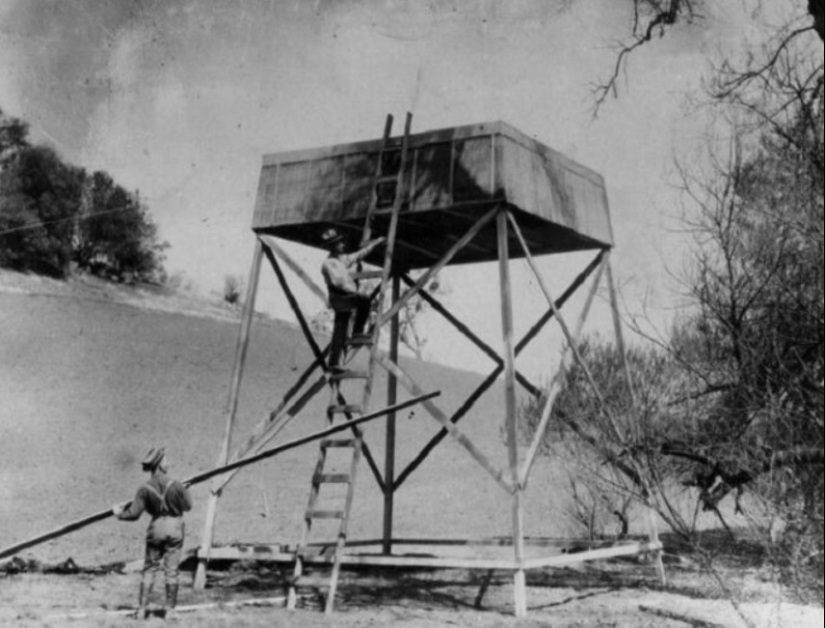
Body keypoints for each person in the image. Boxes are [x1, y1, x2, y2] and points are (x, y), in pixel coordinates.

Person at [113, 447, 193, 619]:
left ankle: (142, 610)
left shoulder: (144, 488)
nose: (168, 463)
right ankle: (170, 611)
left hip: (156, 527)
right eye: (166, 460)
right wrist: (184, 490)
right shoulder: (176, 484)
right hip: (175, 527)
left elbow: (133, 514)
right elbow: (188, 506)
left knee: (149, 568)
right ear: (160, 464)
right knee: (172, 570)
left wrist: (119, 513)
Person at [320, 227, 386, 370]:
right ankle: (357, 332)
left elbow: (357, 256)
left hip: (341, 298)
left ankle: (333, 363)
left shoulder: (340, 259)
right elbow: (339, 283)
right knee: (364, 300)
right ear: (333, 246)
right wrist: (355, 292)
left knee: (340, 330)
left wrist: (374, 244)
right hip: (339, 296)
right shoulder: (329, 263)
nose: (342, 245)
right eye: (339, 243)